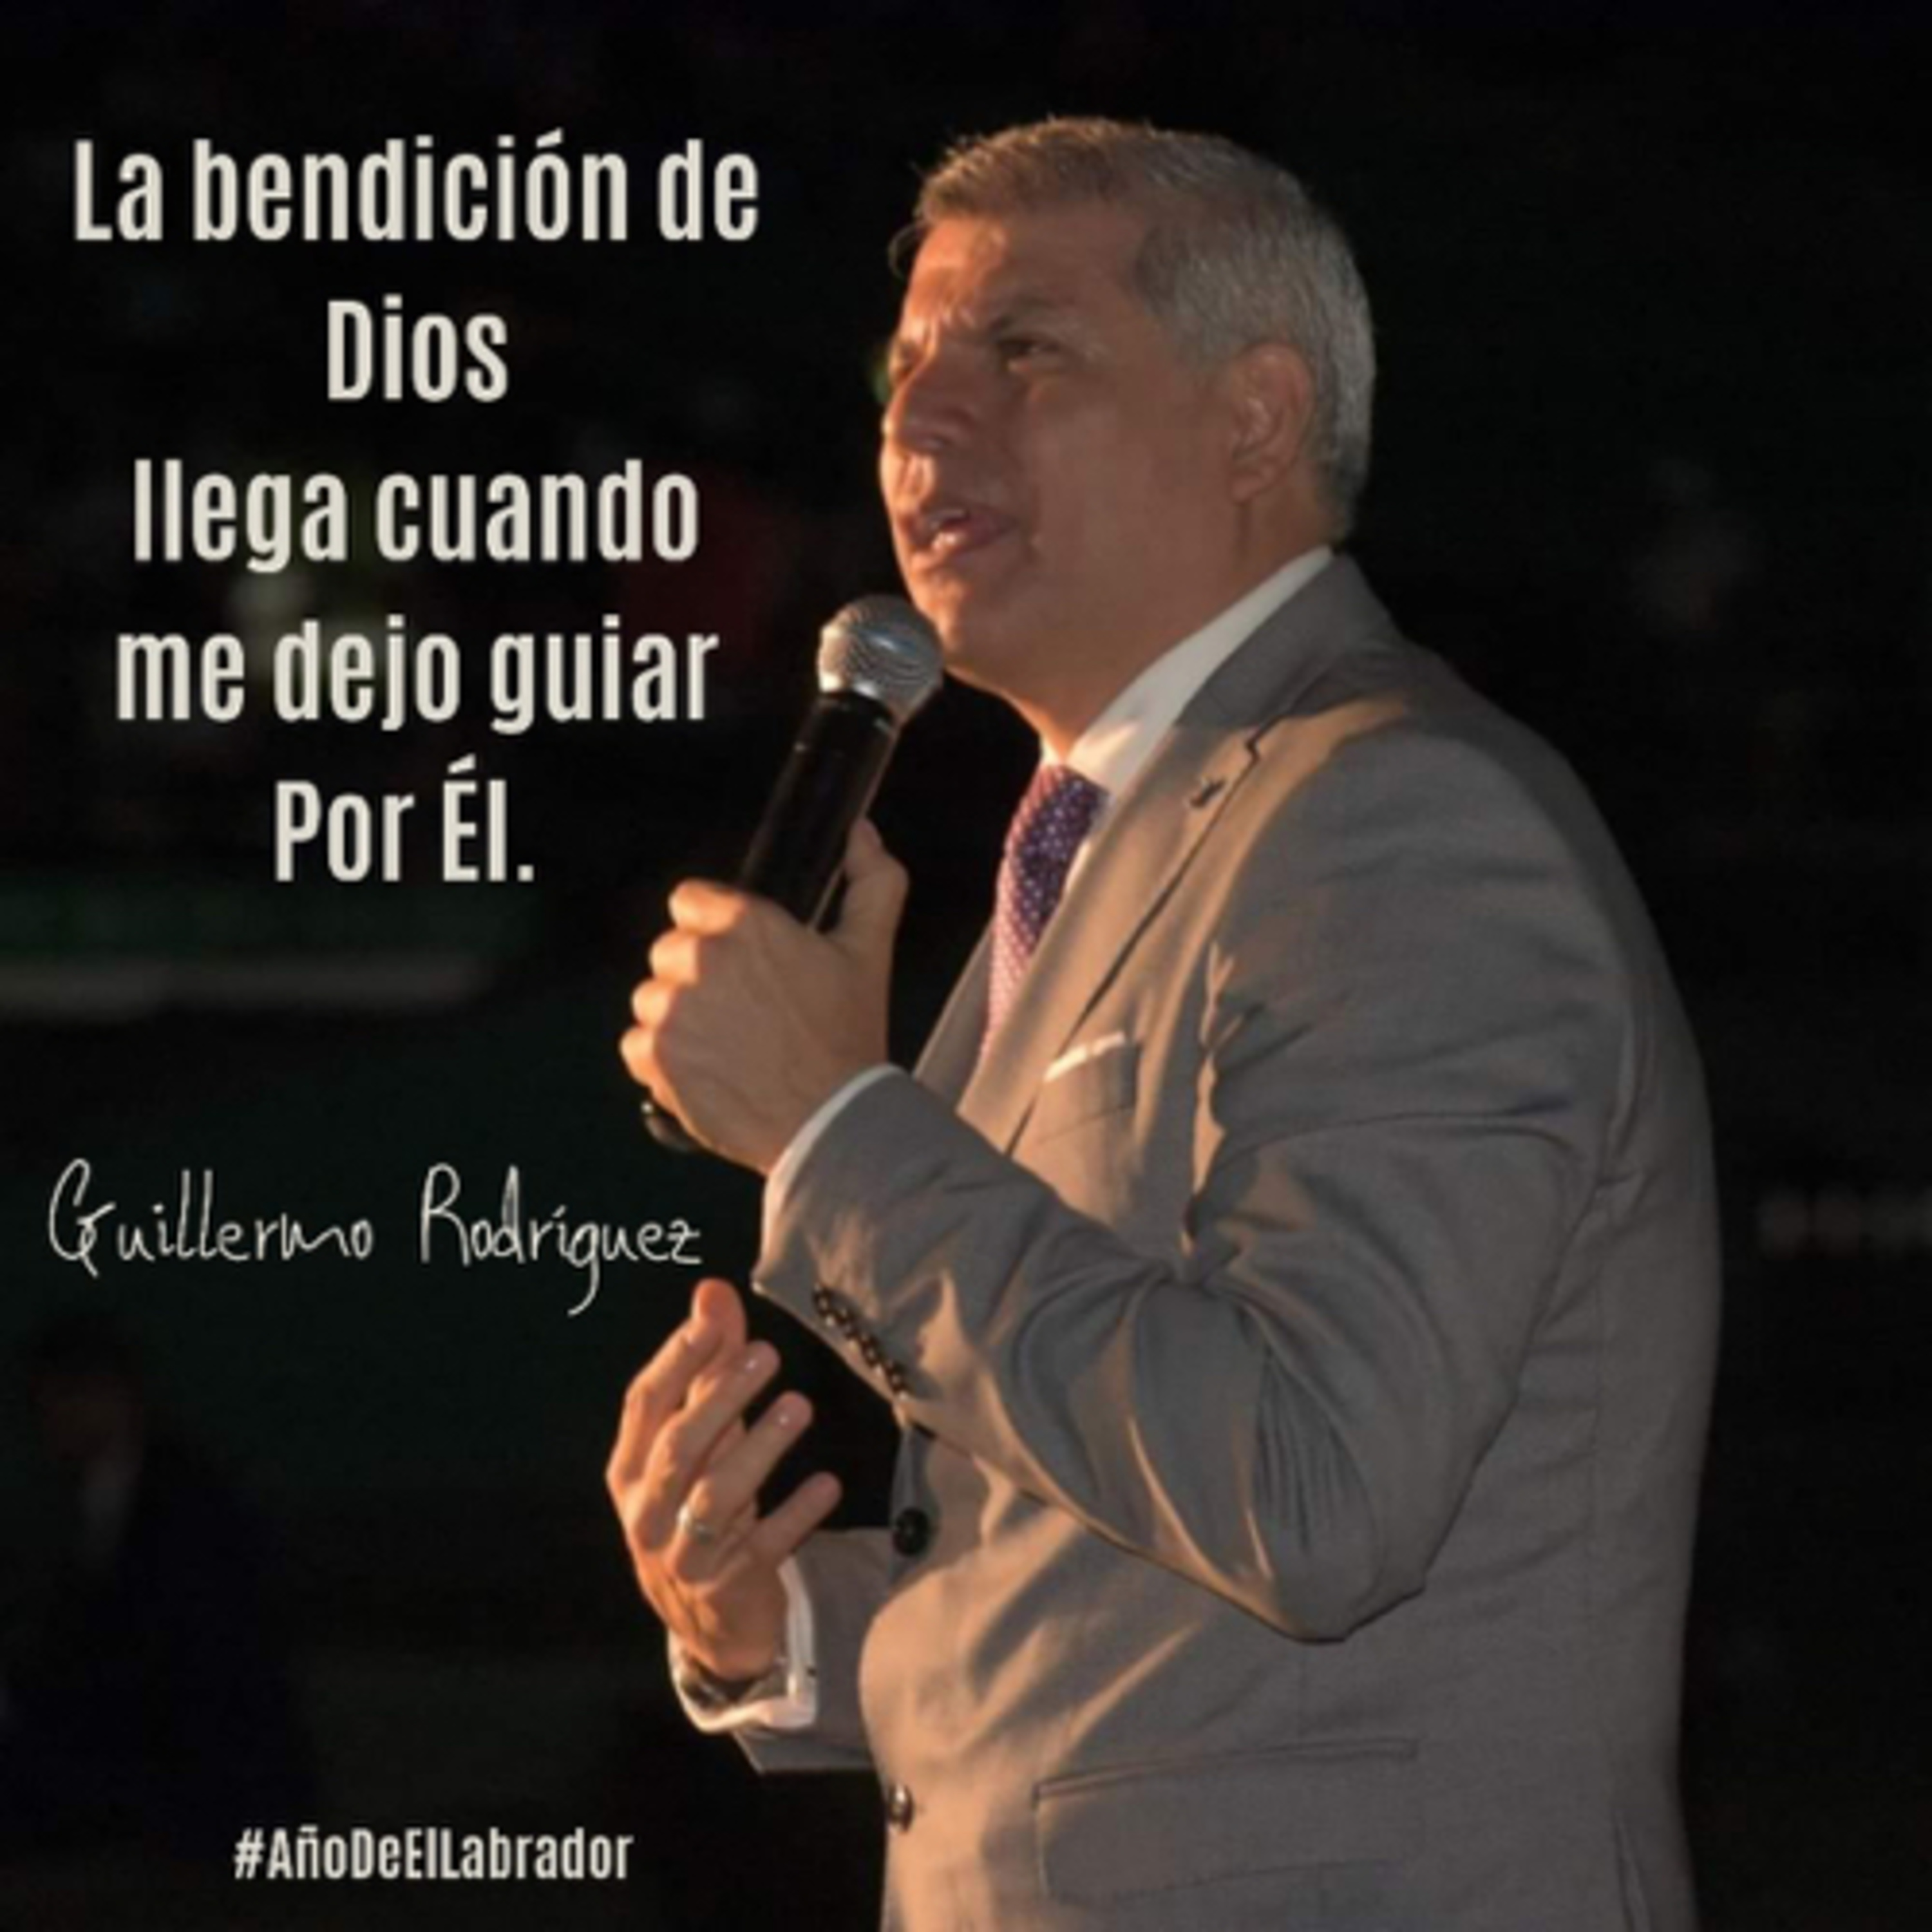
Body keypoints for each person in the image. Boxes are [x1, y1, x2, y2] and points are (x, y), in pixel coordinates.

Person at [609, 117, 1719, 1931]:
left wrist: (836, 1132)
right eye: (904, 370)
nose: (920, 421)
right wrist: (769, 1625)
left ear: (1257, 421)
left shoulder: (1399, 823)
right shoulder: (1099, 849)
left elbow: (1314, 1492)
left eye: (1022, 352)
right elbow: (1118, 1580)